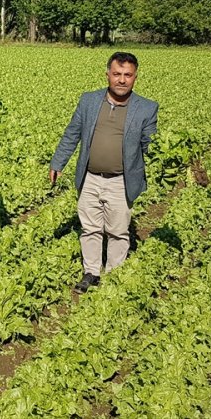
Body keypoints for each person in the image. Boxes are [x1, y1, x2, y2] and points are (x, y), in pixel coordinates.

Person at [49, 52, 158, 293]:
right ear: (107, 74)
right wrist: (58, 163)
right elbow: (72, 133)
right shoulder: (89, 101)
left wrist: (170, 156)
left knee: (118, 230)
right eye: (117, 74)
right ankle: (91, 272)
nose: (121, 80)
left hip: (121, 180)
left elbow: (150, 144)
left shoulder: (146, 108)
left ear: (135, 77)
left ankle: (115, 273)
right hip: (90, 177)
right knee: (90, 227)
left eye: (127, 75)